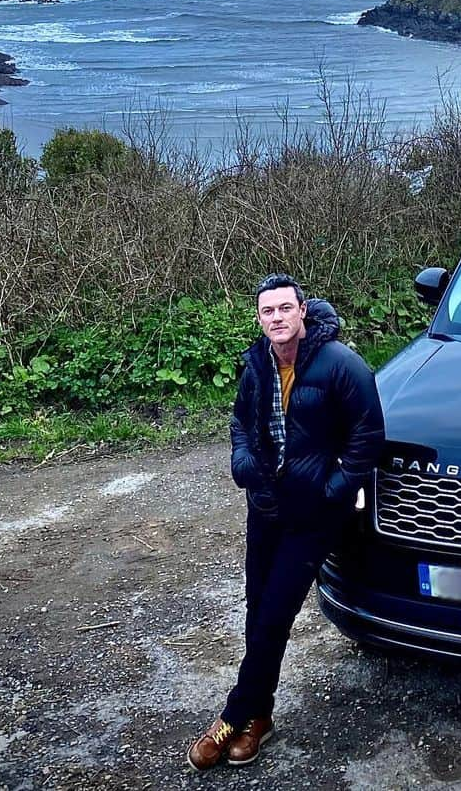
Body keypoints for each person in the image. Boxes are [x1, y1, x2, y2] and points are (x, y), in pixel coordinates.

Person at [187, 272, 385, 772]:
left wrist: (335, 491)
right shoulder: (256, 364)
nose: (276, 318)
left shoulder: (342, 364)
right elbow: (239, 422)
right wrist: (243, 465)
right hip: (267, 507)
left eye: (284, 309)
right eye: (266, 311)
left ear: (302, 311)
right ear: (260, 318)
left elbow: (368, 435)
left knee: (275, 613)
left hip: (313, 514)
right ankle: (260, 718)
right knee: (259, 608)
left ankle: (233, 716)